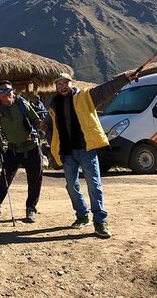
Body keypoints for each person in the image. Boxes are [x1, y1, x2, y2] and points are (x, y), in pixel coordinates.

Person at [43, 71, 133, 238]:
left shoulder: (85, 96)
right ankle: (82, 215)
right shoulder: (54, 105)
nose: (62, 87)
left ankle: (100, 221)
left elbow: (106, 89)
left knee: (94, 184)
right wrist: (50, 140)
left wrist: (123, 79)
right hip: (67, 152)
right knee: (71, 186)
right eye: (59, 85)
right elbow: (50, 126)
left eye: (65, 83)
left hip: (86, 149)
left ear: (72, 83)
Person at [0, 80, 43, 223]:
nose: (6, 93)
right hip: (13, 148)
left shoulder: (22, 104)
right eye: (2, 91)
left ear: (13, 91)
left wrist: (35, 133)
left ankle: (31, 209)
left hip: (32, 147)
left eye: (8, 90)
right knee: (4, 178)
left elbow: (36, 121)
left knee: (34, 180)